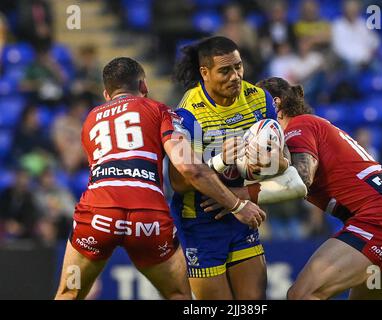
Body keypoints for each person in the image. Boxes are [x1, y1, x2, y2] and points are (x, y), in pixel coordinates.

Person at [54, 57, 266, 300]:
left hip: (99, 214)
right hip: (148, 216)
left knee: (69, 292)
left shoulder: (91, 119)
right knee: (178, 295)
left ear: (106, 94)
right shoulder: (160, 110)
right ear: (143, 86)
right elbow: (189, 167)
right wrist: (237, 205)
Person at [209, 77, 382, 299]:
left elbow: (301, 180)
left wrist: (238, 197)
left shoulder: (299, 126)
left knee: (301, 295)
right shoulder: (306, 129)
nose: (249, 112)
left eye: (254, 104)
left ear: (275, 103)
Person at [171, 36, 306, 299]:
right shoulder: (189, 112)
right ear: (205, 73)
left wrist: (268, 160)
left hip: (241, 216)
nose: (235, 76)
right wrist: (220, 160)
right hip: (200, 221)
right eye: (225, 70)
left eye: (238, 67)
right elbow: (177, 181)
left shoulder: (258, 99)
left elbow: (283, 161)